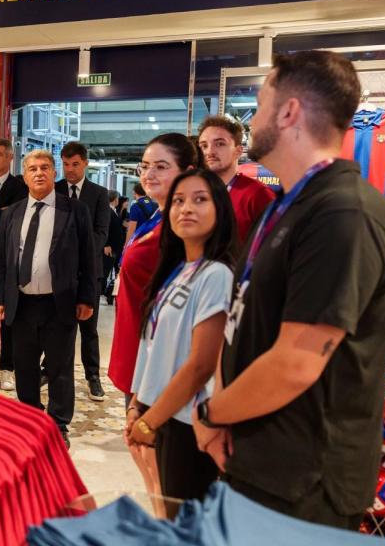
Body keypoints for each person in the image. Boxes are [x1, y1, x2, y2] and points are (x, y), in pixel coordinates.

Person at [193, 51, 385, 530]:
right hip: (257, 462)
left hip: (305, 484)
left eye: (261, 103)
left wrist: (209, 413)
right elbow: (243, 321)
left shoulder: (343, 212)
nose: (253, 118)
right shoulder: (287, 205)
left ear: (289, 113)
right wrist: (223, 413)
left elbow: (296, 362)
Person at [126, 169, 236, 518]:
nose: (186, 208)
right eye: (178, 201)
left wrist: (149, 421)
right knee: (165, 515)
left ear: (220, 209)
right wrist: (135, 406)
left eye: (200, 199)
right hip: (161, 416)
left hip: (187, 424)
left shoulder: (216, 274)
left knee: (184, 525)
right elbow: (154, 348)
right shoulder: (176, 271)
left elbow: (200, 364)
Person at [109, 133, 199, 517]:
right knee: (141, 448)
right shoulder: (157, 216)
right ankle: (163, 521)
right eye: (146, 166)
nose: (149, 173)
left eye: (162, 166)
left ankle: (169, 525)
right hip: (136, 347)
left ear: (188, 172)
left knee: (153, 449)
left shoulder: (182, 229)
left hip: (159, 358)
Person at [0, 150, 95, 447]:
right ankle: (30, 418)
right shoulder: (11, 213)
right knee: (24, 366)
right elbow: (2, 259)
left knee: (60, 367)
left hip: (58, 302)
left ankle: (58, 424)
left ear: (53, 173)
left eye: (45, 168)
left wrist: (87, 297)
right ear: (24, 175)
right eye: (33, 168)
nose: (39, 173)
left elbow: (89, 258)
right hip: (21, 303)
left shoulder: (74, 210)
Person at [55, 142, 110, 402]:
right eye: (65, 164)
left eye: (75, 164)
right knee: (56, 327)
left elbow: (101, 233)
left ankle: (93, 376)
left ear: (85, 163)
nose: (70, 170)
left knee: (89, 329)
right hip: (57, 274)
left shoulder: (98, 194)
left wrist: (79, 255)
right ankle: (50, 370)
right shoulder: (53, 191)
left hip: (89, 272)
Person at [0, 137, 29, 392]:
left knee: (8, 315)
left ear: (10, 157)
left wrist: (3, 212)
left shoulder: (21, 186)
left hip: (10, 258)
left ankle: (7, 368)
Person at [197, 115, 274, 242]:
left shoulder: (257, 194)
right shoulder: (197, 195)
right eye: (204, 146)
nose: (210, 151)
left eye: (220, 144)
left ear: (238, 151)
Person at [102, 189, 127, 305]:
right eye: (117, 198)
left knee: (111, 270)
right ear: (114, 199)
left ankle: (108, 293)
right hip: (110, 247)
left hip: (115, 246)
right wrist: (106, 244)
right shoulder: (107, 211)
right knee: (105, 271)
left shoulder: (114, 211)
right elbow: (104, 229)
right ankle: (101, 292)